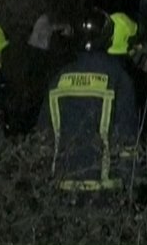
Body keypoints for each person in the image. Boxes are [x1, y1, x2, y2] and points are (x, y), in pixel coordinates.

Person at [38, 11, 141, 192]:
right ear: (108, 39)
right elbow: (126, 141)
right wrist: (131, 187)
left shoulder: (58, 79)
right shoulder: (119, 78)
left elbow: (43, 139)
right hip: (105, 191)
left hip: (61, 189)